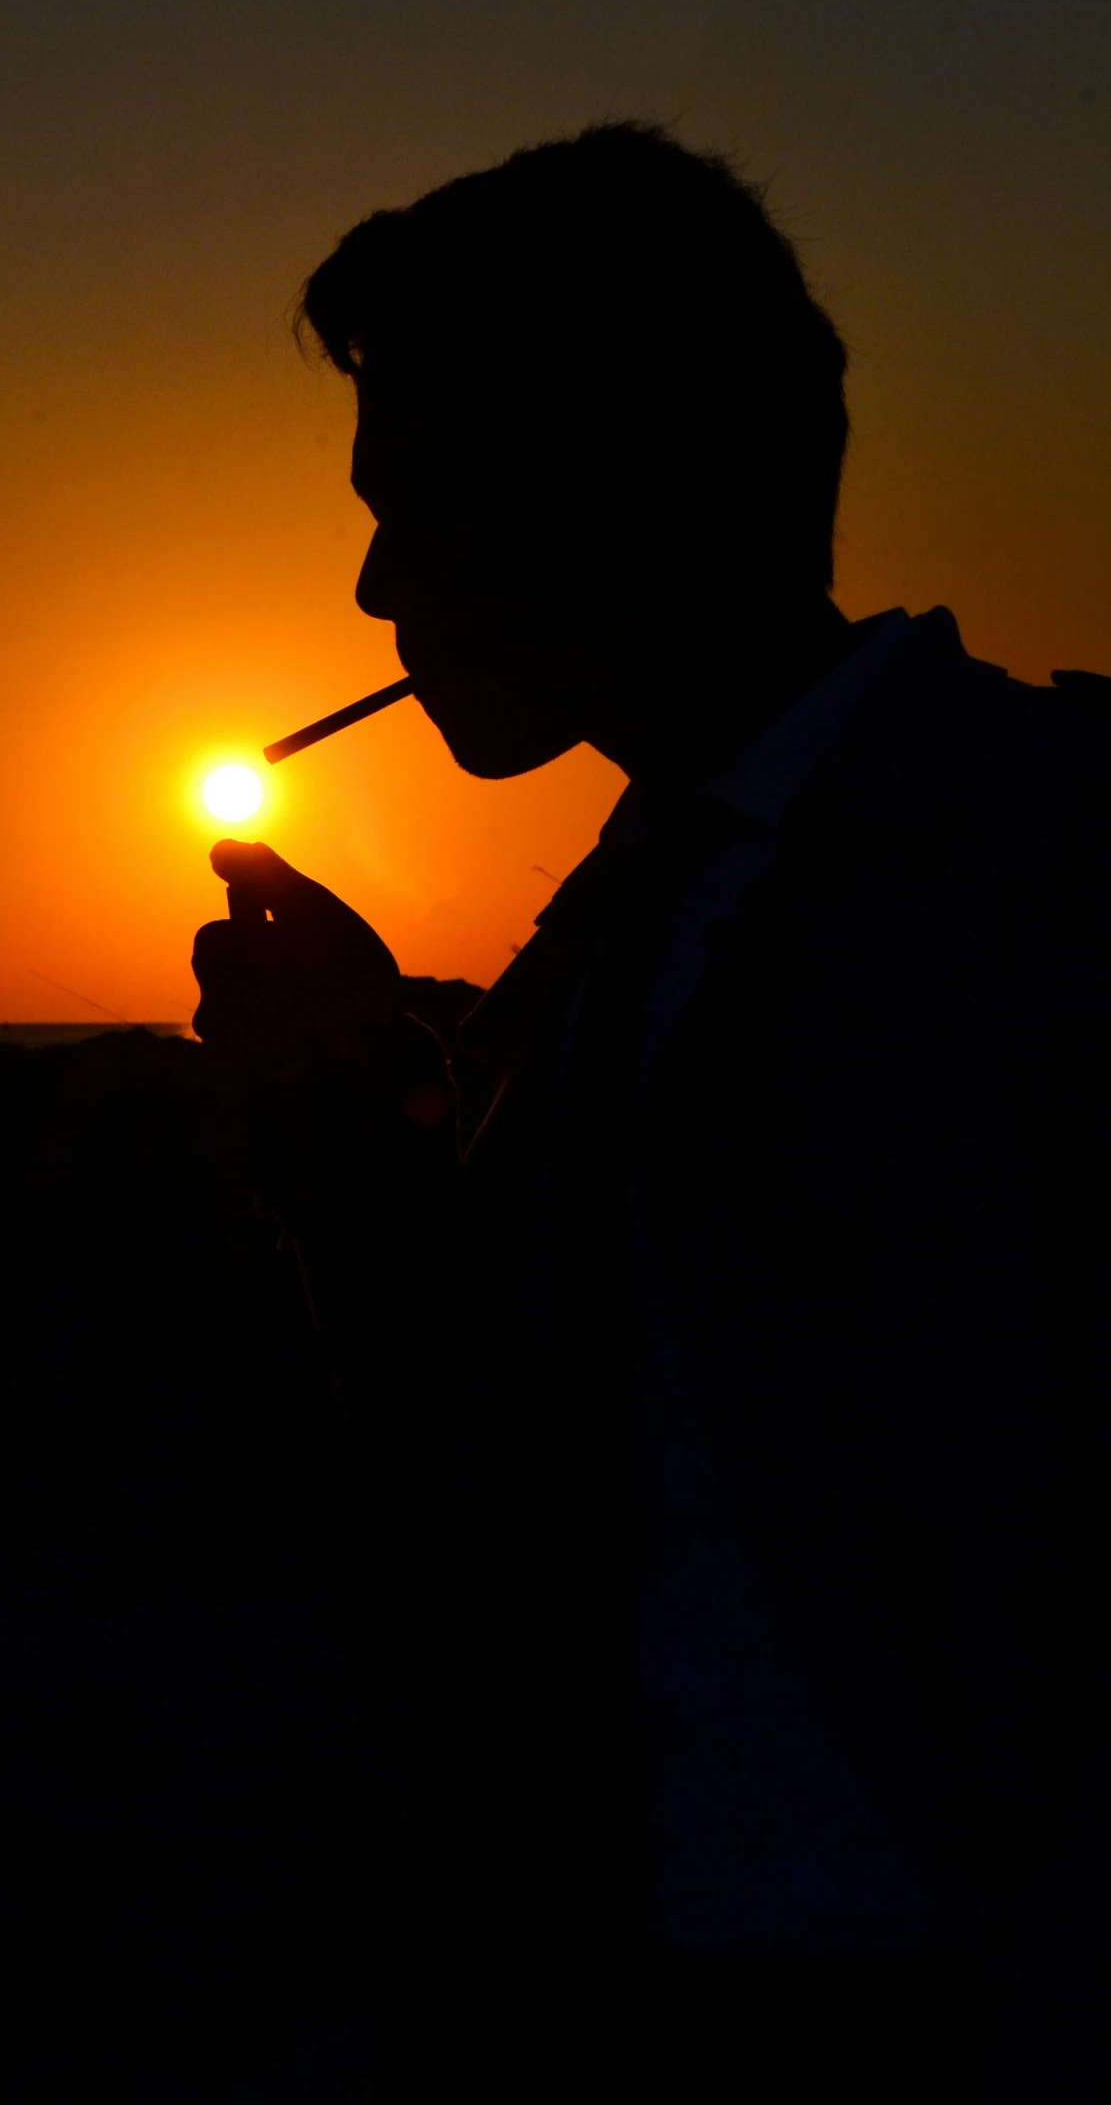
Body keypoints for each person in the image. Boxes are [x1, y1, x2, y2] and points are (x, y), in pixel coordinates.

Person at [189, 123, 1110, 2101]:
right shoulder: (620, 917)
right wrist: (352, 1124)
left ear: (619, 475)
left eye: (425, 497)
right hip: (614, 2020)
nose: (373, 582)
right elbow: (494, 1475)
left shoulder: (1040, 854)